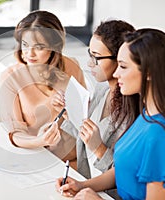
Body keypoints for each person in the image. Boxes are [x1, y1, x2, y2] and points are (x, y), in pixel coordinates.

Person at [55, 28, 165, 199]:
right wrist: (82, 185)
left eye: (123, 66)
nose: (116, 73)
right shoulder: (146, 117)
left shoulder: (159, 136)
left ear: (149, 73)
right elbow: (122, 170)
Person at [0, 10, 86, 166]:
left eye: (39, 47)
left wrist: (70, 111)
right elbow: (15, 134)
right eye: (25, 45)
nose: (29, 53)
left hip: (73, 159)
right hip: (36, 158)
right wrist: (39, 140)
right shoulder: (11, 77)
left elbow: (85, 118)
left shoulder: (71, 66)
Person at [52, 20, 139, 179]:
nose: (90, 63)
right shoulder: (102, 89)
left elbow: (129, 176)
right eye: (90, 55)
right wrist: (69, 116)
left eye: (97, 57)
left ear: (120, 58)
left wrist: (99, 148)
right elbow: (84, 142)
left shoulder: (135, 112)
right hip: (87, 184)